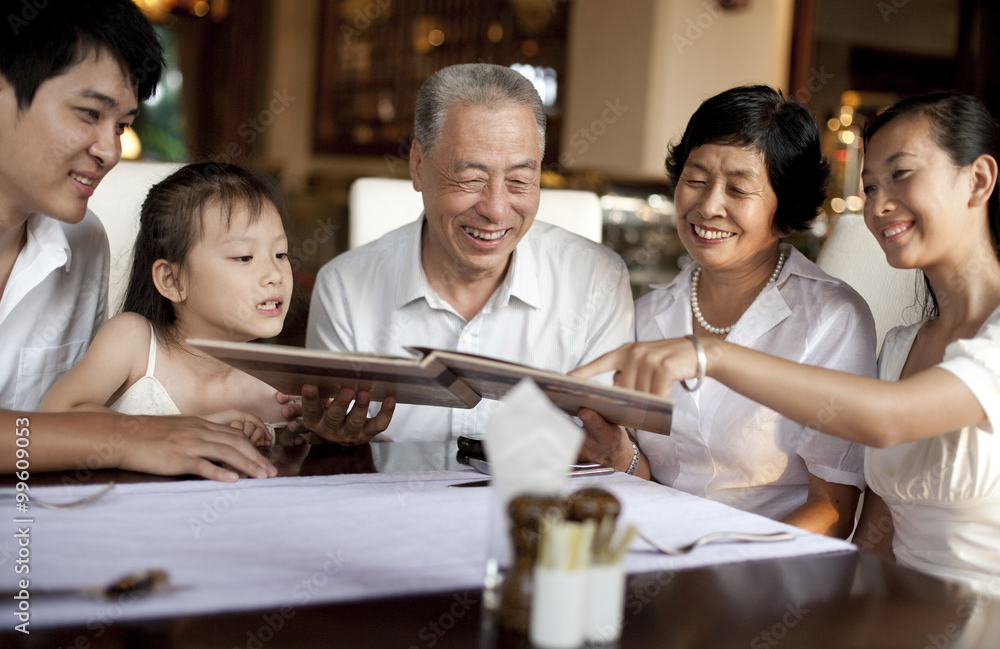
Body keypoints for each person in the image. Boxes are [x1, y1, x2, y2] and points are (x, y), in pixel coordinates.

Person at [574, 92, 1000, 588]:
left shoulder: (838, 319)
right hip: (894, 610)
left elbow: (887, 422)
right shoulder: (903, 347)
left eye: (901, 175)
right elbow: (877, 538)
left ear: (979, 179)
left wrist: (710, 353)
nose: (879, 205)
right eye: (869, 186)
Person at [574, 85, 877, 538]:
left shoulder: (831, 319)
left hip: (768, 579)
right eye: (695, 180)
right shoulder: (647, 312)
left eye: (738, 189)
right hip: (654, 552)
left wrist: (720, 567)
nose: (708, 206)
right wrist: (621, 458)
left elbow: (832, 512)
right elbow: (648, 479)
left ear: (786, 207)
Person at [0, 0, 275, 480]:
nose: (109, 150)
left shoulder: (82, 240)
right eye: (89, 114)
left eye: (122, 125)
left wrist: (184, 429)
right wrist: (130, 436)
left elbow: (60, 422)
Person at [302, 63, 633, 443]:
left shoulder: (597, 282)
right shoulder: (344, 287)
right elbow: (329, 438)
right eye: (470, 179)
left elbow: (611, 455)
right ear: (417, 165)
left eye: (519, 180)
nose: (495, 208)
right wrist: (333, 444)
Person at [41, 162, 293, 447]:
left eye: (281, 254)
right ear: (172, 280)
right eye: (244, 257)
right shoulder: (134, 343)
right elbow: (51, 419)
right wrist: (182, 429)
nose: (275, 275)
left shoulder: (278, 396)